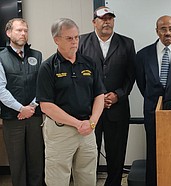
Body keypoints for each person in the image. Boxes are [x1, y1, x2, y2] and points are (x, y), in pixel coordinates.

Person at [36, 18, 105, 186]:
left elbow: (99, 95)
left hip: (88, 129)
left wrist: (92, 122)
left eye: (76, 37)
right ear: (56, 40)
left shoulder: (89, 63)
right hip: (60, 131)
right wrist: (77, 124)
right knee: (57, 179)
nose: (74, 42)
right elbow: (46, 106)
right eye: (69, 38)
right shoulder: (48, 67)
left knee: (88, 177)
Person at [78, 6, 136, 186]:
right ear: (94, 22)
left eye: (110, 18)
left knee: (116, 155)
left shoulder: (127, 43)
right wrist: (97, 98)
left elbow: (131, 75)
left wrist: (118, 95)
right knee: (88, 156)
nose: (107, 22)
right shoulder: (81, 42)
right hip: (89, 110)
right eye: (103, 18)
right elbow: (78, 75)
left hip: (117, 109)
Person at [135, 15, 171, 186]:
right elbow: (142, 84)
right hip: (152, 111)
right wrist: (154, 100)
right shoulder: (142, 55)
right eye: (163, 29)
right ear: (157, 31)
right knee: (153, 152)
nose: (167, 32)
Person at [0, 18, 44, 186]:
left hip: (34, 116)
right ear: (9, 33)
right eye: (19, 30)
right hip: (13, 118)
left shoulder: (37, 55)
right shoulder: (1, 57)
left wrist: (31, 107)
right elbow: (1, 90)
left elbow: (42, 85)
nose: (23, 33)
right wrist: (20, 108)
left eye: (25, 30)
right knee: (17, 161)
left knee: (36, 159)